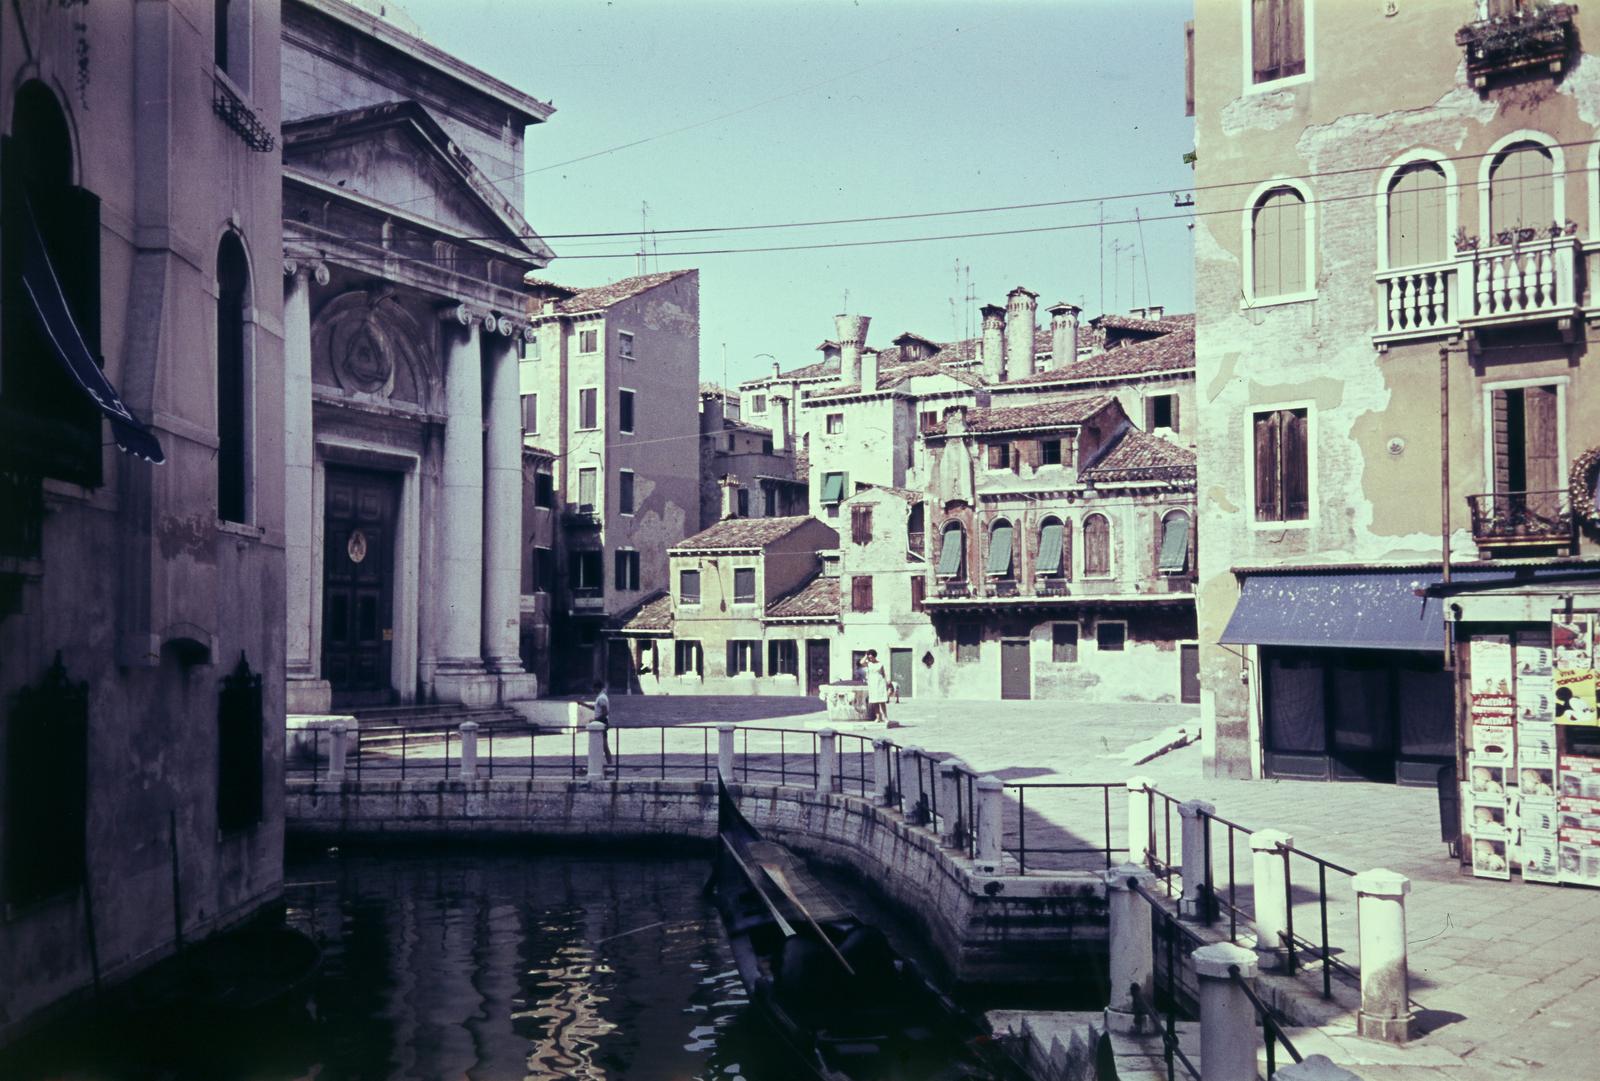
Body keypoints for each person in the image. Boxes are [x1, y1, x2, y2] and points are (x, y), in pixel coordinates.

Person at [861, 650, 889, 723]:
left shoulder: (880, 664)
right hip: (872, 683)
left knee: (882, 701)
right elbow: (861, 662)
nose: (870, 659)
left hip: (880, 683)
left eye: (871, 657)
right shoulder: (868, 664)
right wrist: (866, 655)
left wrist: (886, 682)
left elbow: (883, 674)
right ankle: (878, 717)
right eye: (869, 657)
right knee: (875, 701)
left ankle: (885, 717)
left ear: (874, 656)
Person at [592, 681, 612, 763]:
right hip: (601, 721)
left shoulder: (601, 698)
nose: (593, 690)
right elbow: (596, 708)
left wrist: (595, 720)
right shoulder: (601, 697)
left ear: (597, 688)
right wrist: (583, 704)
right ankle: (604, 763)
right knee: (602, 745)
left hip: (601, 721)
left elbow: (605, 712)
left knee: (604, 745)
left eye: (594, 688)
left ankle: (609, 764)